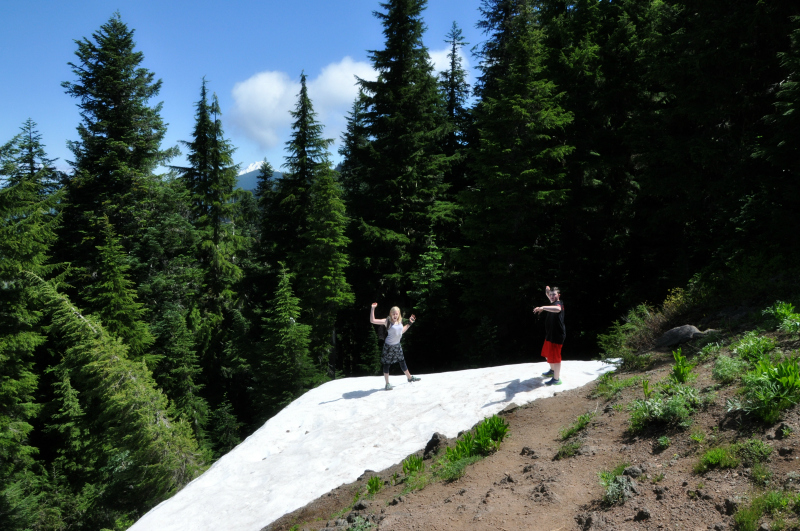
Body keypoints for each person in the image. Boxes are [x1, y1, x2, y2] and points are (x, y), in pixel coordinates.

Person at [370, 303, 420, 390]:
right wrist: (372, 308)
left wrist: (409, 324)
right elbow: (372, 320)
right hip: (388, 346)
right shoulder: (387, 321)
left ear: (399, 314)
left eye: (396, 314)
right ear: (390, 314)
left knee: (402, 361)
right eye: (393, 313)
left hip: (397, 345)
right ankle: (387, 384)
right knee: (387, 364)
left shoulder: (400, 321)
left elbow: (401, 332)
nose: (395, 315)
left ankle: (409, 378)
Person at [533, 285, 565, 385]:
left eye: (554, 295)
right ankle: (552, 371)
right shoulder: (553, 302)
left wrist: (542, 307)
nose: (551, 296)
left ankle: (556, 379)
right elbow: (551, 300)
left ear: (558, 295)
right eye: (550, 295)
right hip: (550, 334)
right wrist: (547, 292)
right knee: (547, 354)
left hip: (557, 335)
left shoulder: (558, 304)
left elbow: (557, 309)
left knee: (556, 358)